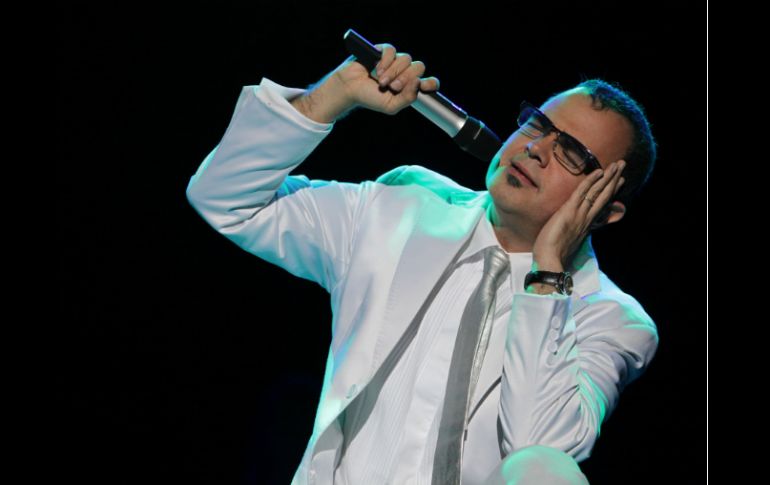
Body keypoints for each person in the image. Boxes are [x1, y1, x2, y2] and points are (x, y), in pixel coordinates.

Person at [186, 42, 658, 485]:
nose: (535, 149)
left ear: (607, 210)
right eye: (537, 125)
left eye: (571, 153)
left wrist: (548, 273)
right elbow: (225, 199)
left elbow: (540, 454)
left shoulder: (611, 318)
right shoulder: (401, 208)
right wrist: (331, 96)